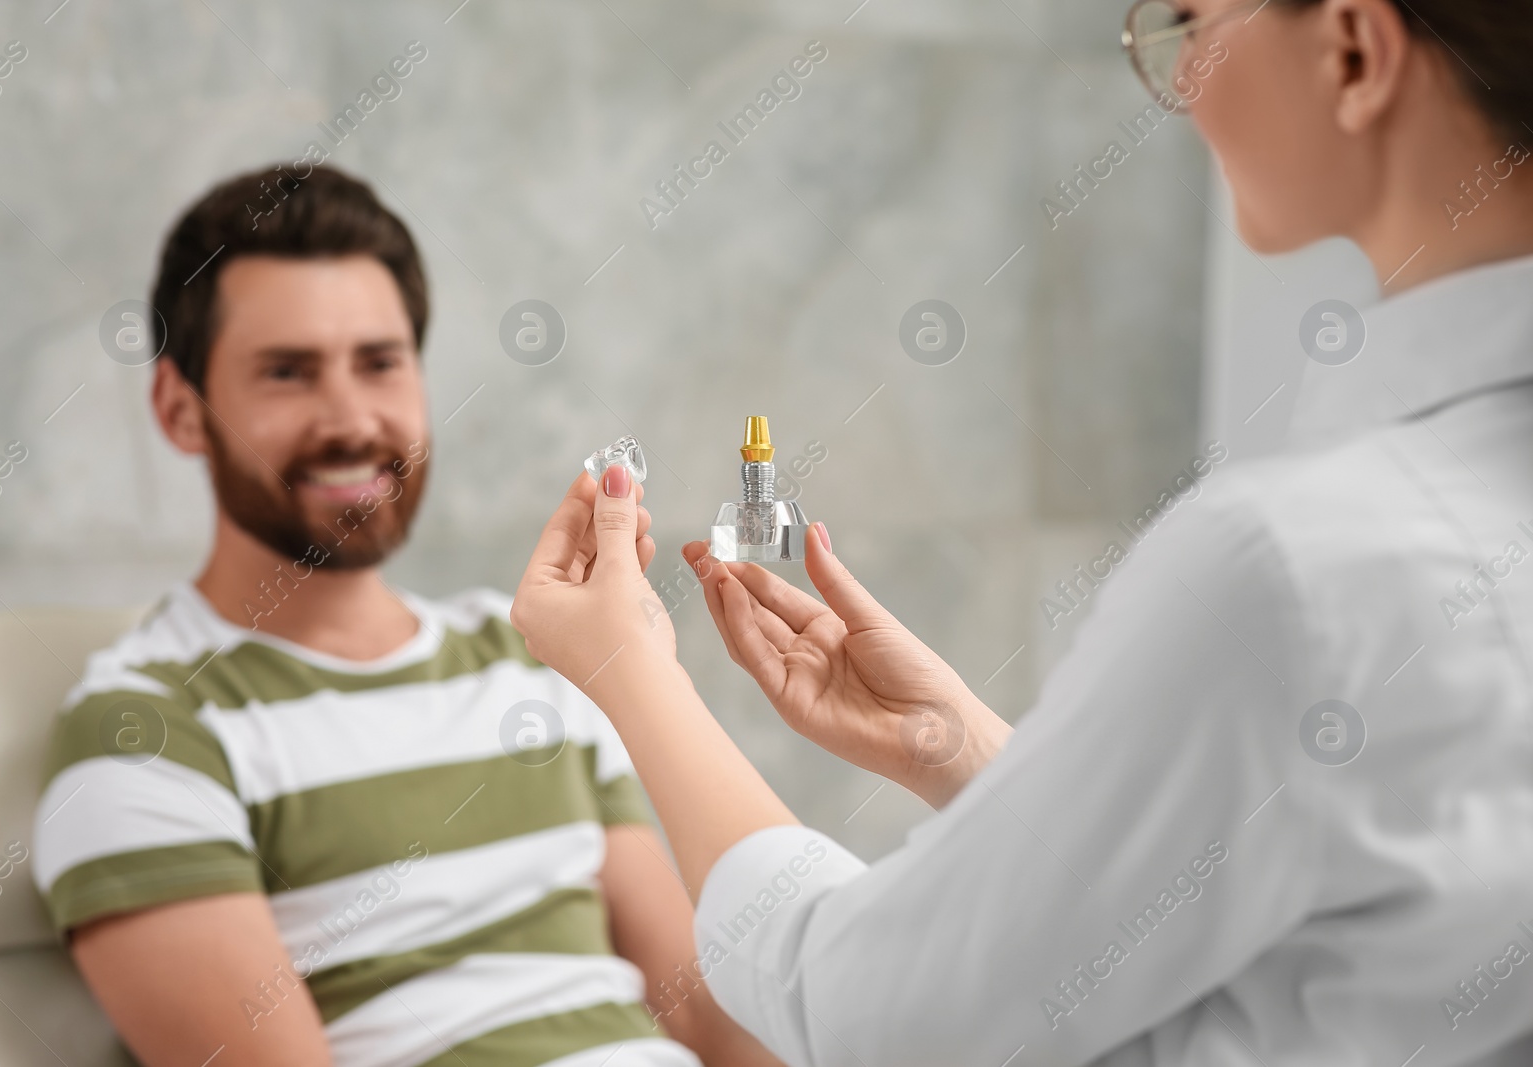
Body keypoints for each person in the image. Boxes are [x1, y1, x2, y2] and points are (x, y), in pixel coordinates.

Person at [508, 1, 1533, 1064]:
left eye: (1187, 20)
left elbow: (872, 1012)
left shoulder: (1292, 570)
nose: (1178, 84)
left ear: (1354, 51)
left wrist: (629, 667)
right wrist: (964, 751)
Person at [30, 166, 780, 1067]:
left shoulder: (528, 658)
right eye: (286, 372)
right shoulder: (146, 731)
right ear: (180, 411)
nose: (350, 418)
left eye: (380, 363)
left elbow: (710, 1018)